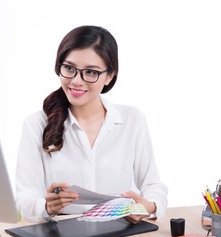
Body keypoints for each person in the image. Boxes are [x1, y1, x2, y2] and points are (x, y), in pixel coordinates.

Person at [15, 25, 167, 223]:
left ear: (110, 76)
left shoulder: (132, 120)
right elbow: (23, 199)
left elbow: (153, 185)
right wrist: (46, 206)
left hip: (118, 230)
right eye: (69, 68)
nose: (77, 81)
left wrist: (149, 206)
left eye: (90, 72)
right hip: (61, 233)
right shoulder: (36, 124)